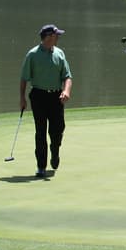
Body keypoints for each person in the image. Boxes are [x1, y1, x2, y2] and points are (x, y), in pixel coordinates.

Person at [19, 24, 73, 177]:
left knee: (58, 129)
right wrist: (22, 98)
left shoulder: (60, 53)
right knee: (40, 131)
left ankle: (55, 152)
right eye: (57, 35)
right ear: (49, 37)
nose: (59, 38)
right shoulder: (32, 55)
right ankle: (41, 166)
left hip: (56, 97)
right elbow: (24, 78)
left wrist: (66, 91)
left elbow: (67, 77)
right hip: (38, 96)